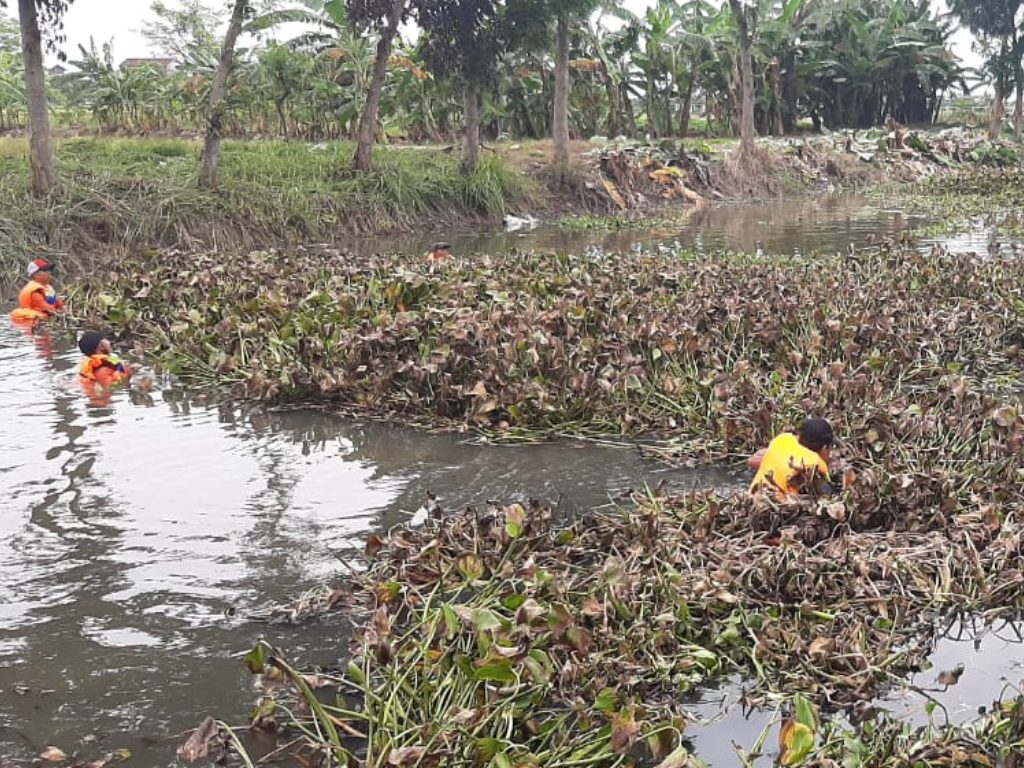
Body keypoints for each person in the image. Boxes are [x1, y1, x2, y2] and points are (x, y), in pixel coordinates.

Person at [749, 417, 833, 498]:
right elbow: (827, 495)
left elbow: (752, 461)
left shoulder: (783, 440)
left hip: (750, 499)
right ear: (824, 447)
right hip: (778, 508)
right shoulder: (813, 465)